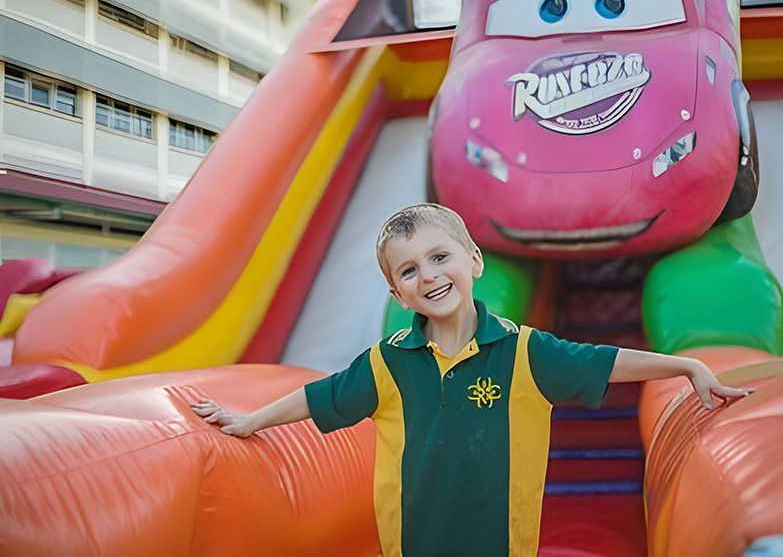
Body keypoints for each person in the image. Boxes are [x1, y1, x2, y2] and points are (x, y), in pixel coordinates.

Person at [192, 203, 750, 557]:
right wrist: (249, 421)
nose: (428, 275)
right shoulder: (388, 361)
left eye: (439, 257)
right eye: (409, 271)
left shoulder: (525, 351)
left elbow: (603, 361)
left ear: (475, 261)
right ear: (396, 294)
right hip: (413, 544)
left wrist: (687, 365)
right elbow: (320, 397)